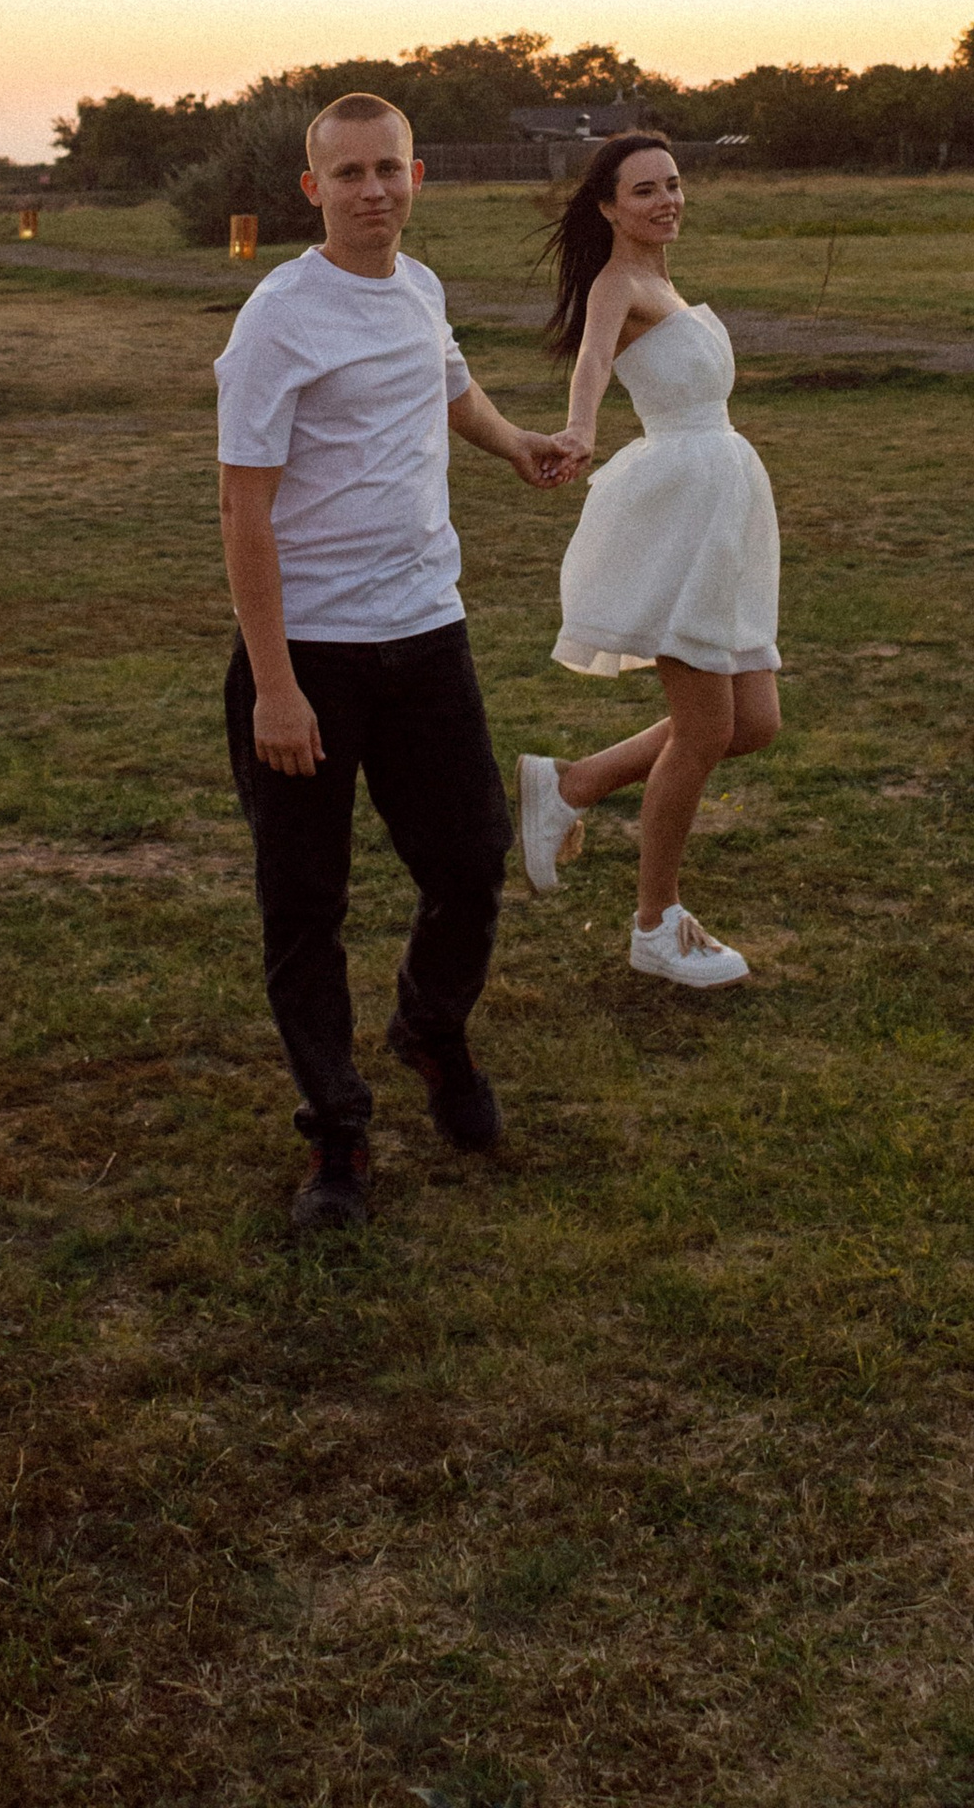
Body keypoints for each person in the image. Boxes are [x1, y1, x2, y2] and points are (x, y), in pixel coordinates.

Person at [216, 94, 576, 1233]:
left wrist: (513, 442)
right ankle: (337, 1130)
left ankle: (429, 1026)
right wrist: (276, 685)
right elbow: (242, 506)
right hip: (310, 655)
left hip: (426, 633)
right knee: (305, 902)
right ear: (312, 189)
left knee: (471, 860)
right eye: (349, 173)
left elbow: (448, 382)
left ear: (418, 176)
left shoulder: (418, 287)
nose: (372, 189)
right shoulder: (278, 318)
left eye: (389, 169)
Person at [514, 133, 781, 990]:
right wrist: (581, 429)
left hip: (723, 505)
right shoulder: (618, 284)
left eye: (672, 183)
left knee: (754, 722)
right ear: (608, 207)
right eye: (644, 190)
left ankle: (572, 783)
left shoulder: (665, 282)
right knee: (704, 731)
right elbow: (593, 357)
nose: (666, 200)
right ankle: (655, 925)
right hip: (679, 512)